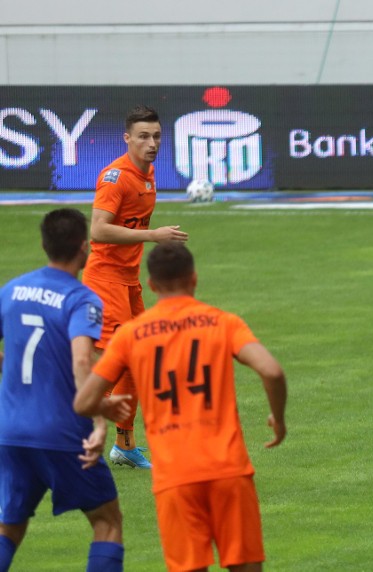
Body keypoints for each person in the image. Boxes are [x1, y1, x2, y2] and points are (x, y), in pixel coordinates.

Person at [74, 242, 287, 572]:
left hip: (175, 476)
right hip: (228, 469)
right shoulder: (223, 322)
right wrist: (279, 419)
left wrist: (107, 408)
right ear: (194, 279)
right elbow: (271, 370)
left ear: (152, 285)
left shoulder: (131, 335)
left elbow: (84, 401)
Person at [0, 208, 130, 571]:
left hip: (10, 432)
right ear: (84, 247)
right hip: (61, 432)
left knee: (9, 527)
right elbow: (81, 363)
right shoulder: (81, 299)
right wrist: (99, 418)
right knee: (107, 522)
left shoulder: (11, 290)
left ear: (44, 244)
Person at [82, 104, 189, 469]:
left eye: (157, 136)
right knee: (119, 359)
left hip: (128, 281)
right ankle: (76, 421)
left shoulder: (149, 173)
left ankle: (124, 445)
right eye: (143, 136)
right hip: (105, 279)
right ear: (127, 138)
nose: (152, 143)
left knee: (139, 357)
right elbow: (97, 229)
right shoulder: (116, 176)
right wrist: (153, 235)